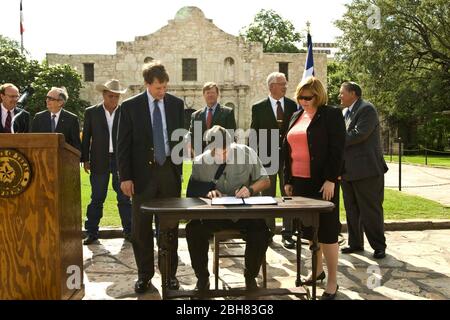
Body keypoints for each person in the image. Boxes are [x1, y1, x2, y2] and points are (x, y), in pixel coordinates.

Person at [117, 61, 184, 294]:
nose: (162, 92)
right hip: (141, 176)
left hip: (169, 174)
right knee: (141, 230)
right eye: (158, 88)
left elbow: (179, 138)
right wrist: (125, 177)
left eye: (165, 87)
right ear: (147, 84)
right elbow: (122, 146)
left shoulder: (176, 104)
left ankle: (170, 275)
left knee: (170, 228)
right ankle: (144, 276)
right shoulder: (129, 107)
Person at [186, 125, 271, 292]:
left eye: (227, 151)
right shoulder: (199, 162)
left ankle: (250, 276)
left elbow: (265, 180)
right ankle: (202, 279)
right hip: (213, 217)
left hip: (245, 213)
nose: (224, 156)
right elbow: (192, 193)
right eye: (219, 153)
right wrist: (206, 192)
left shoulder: (246, 152)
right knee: (193, 230)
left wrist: (251, 189)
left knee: (262, 232)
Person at [283, 76, 345, 300]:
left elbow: (337, 150)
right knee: (309, 230)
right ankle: (317, 271)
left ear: (318, 96)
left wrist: (331, 179)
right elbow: (286, 151)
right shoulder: (295, 115)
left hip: (323, 183)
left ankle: (332, 281)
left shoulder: (331, 115)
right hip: (300, 182)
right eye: (300, 97)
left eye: (308, 97)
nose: (303, 101)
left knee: (328, 232)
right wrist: (288, 180)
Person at [339, 81, 388, 259]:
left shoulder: (366, 109)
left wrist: (335, 137)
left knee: (370, 209)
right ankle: (355, 243)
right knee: (351, 209)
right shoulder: (345, 113)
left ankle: (378, 246)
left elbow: (359, 134)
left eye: (342, 93)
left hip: (367, 170)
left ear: (353, 93)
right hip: (347, 171)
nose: (340, 96)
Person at [81, 79, 132, 245]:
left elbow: (131, 138)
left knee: (124, 197)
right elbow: (86, 136)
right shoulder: (91, 112)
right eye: (111, 96)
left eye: (117, 97)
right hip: (98, 159)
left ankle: (129, 231)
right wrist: (85, 159)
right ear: (104, 95)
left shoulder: (125, 111)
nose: (114, 100)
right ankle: (91, 232)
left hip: (121, 161)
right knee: (97, 197)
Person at [251, 72, 298, 248]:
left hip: (288, 159)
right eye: (282, 84)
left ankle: (288, 233)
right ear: (271, 86)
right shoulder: (258, 107)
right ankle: (268, 232)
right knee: (267, 197)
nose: (285, 87)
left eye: (285, 83)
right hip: (266, 158)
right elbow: (254, 134)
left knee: (288, 195)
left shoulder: (293, 106)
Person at [188, 82, 236, 155]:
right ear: (204, 95)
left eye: (213, 92)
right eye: (208, 93)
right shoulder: (195, 115)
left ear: (217, 94)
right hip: (201, 157)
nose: (210, 95)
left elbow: (231, 136)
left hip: (221, 156)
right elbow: (192, 137)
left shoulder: (227, 113)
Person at [31, 87, 81, 151]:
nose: (47, 100)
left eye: (50, 98)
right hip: (42, 157)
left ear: (60, 102)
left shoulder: (72, 119)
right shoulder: (38, 117)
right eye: (47, 98)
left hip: (63, 158)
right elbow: (33, 140)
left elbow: (76, 144)